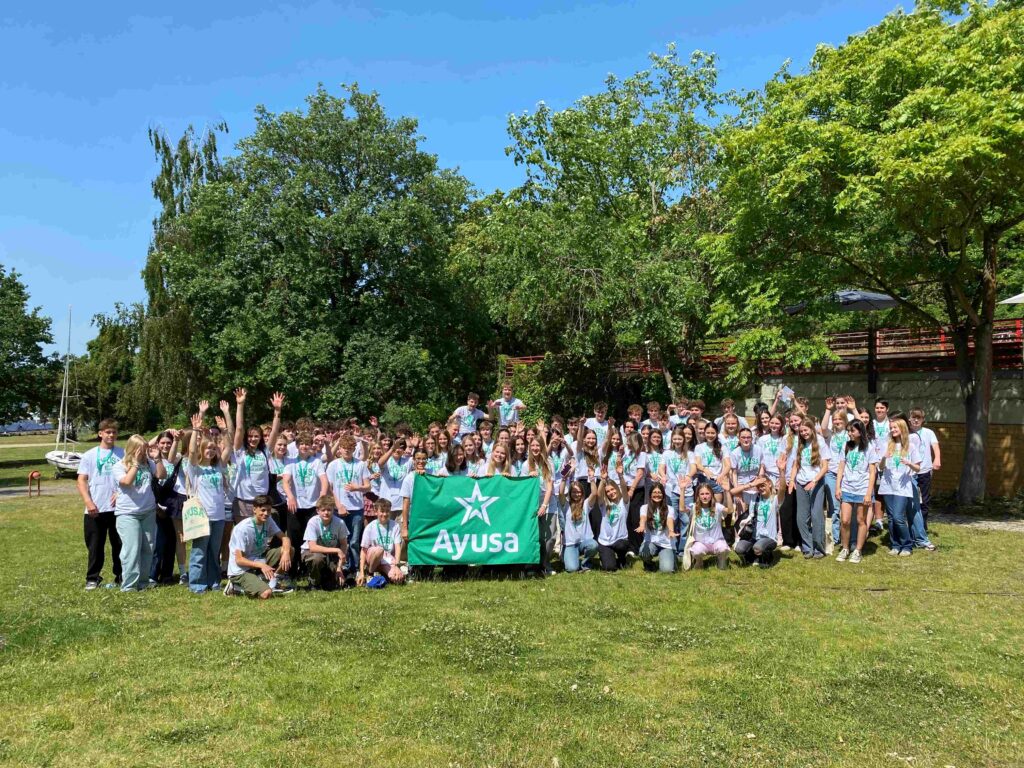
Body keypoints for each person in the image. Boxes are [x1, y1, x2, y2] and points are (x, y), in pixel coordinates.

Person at [182, 401, 234, 593]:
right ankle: (197, 583)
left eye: (213, 448)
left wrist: (225, 430)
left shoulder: (218, 467)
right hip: (201, 516)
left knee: (214, 551)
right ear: (202, 450)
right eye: (208, 448)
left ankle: (213, 582)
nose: (211, 451)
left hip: (218, 516)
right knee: (199, 551)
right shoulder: (195, 469)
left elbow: (228, 448)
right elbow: (192, 451)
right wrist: (197, 427)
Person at [112, 434, 167, 590]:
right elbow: (126, 482)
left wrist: (157, 459)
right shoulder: (119, 466)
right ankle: (129, 585)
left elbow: (162, 475)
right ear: (133, 449)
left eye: (145, 449)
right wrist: (135, 463)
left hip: (148, 511)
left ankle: (143, 582)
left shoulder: (148, 463)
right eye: (141, 450)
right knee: (132, 549)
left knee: (148, 548)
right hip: (128, 513)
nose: (144, 452)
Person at [77, 419, 125, 590]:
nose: (111, 435)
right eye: (108, 432)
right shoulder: (89, 455)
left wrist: (120, 493)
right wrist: (88, 501)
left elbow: (130, 477)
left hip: (119, 508)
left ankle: (121, 576)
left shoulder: (123, 453)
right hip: (95, 508)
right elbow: (81, 480)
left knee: (119, 544)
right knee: (95, 546)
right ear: (100, 434)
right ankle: (93, 578)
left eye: (114, 432)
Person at [225, 494, 294, 598]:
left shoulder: (268, 520)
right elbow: (239, 560)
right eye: (263, 510)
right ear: (254, 510)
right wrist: (261, 565)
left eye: (269, 510)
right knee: (266, 593)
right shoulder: (243, 529)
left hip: (259, 560)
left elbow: (285, 538)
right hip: (241, 570)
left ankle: (274, 580)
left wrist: (286, 553)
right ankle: (235, 587)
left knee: (289, 550)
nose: (266, 514)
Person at [231, 389, 284, 522]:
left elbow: (275, 431)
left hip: (261, 501)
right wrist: (240, 404)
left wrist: (277, 411)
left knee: (261, 532)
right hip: (243, 501)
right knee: (244, 531)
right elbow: (239, 428)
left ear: (260, 438)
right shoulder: (240, 451)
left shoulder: (265, 451)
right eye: (250, 436)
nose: (253, 439)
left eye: (256, 436)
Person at [281, 431, 329, 578]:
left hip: (312, 506)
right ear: (297, 446)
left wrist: (321, 497)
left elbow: (324, 481)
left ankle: (308, 569)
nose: (304, 446)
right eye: (301, 444)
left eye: (307, 444)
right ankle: (292, 571)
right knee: (294, 539)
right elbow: (285, 481)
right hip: (295, 506)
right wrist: (290, 497)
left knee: (310, 539)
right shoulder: (290, 462)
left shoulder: (316, 462)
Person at [326, 434, 371, 573]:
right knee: (338, 540)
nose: (347, 450)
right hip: (339, 507)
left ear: (354, 449)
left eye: (350, 448)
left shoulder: (360, 464)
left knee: (354, 541)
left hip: (356, 508)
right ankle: (337, 568)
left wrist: (357, 488)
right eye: (344, 447)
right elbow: (329, 488)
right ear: (339, 448)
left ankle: (354, 568)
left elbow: (368, 486)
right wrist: (338, 505)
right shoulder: (333, 465)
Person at [834, 419, 877, 563]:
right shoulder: (846, 446)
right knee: (845, 520)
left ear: (860, 431)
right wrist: (838, 487)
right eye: (848, 431)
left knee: (860, 520)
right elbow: (841, 468)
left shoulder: (869, 447)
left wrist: (868, 493)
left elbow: (872, 472)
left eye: (852, 430)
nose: (849, 433)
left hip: (862, 489)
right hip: (847, 488)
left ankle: (858, 550)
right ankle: (845, 548)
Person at [789, 416, 831, 558]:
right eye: (801, 431)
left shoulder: (820, 442)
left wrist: (814, 481)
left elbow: (825, 467)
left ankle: (819, 548)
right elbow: (796, 464)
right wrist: (791, 480)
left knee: (816, 516)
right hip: (801, 483)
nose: (803, 433)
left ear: (812, 429)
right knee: (801, 518)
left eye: (806, 430)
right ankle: (807, 547)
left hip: (816, 483)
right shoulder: (800, 444)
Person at [878, 416, 920, 556]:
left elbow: (918, 468)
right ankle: (895, 545)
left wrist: (909, 463)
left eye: (895, 427)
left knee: (898, 517)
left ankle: (907, 545)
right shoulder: (887, 445)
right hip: (888, 486)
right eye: (891, 428)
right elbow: (881, 467)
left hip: (902, 487)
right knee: (890, 518)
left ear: (902, 428)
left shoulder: (910, 446)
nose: (892, 430)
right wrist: (884, 457)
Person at [301, 496, 350, 590]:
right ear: (317, 511)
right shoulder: (313, 522)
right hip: (312, 553)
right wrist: (336, 550)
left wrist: (339, 567)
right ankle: (314, 582)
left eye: (329, 510)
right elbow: (312, 547)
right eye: (323, 510)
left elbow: (344, 544)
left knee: (333, 584)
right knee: (317, 558)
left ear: (333, 510)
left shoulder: (340, 523)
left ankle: (326, 577)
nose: (326, 513)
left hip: (331, 555)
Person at [734, 476, 783, 567]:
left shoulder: (775, 499)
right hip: (753, 536)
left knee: (758, 547)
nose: (760, 488)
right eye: (758, 486)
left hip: (769, 537)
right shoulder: (754, 497)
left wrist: (782, 472)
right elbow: (733, 492)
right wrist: (751, 484)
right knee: (739, 548)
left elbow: (783, 489)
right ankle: (752, 558)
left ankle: (767, 558)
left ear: (769, 484)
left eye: (763, 485)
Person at [358, 498, 405, 585]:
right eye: (382, 511)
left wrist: (397, 566)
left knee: (398, 578)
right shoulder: (370, 527)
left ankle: (383, 574)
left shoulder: (395, 525)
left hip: (387, 558)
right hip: (373, 557)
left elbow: (398, 547)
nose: (385, 514)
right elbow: (363, 550)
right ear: (376, 512)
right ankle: (370, 573)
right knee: (379, 550)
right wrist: (361, 572)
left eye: (387, 511)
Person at [908, 408, 940, 529]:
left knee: (924, 499)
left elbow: (935, 446)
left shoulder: (928, 432)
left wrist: (937, 459)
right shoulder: (906, 432)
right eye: (914, 417)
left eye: (919, 418)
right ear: (909, 418)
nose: (916, 420)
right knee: (910, 499)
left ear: (923, 420)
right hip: (909, 471)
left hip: (924, 470)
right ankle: (911, 525)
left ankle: (922, 526)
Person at [595, 467, 631, 571]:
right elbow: (599, 494)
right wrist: (602, 480)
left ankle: (622, 558)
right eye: (608, 491)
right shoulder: (604, 505)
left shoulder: (624, 503)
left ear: (617, 489)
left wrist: (620, 476)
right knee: (609, 567)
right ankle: (607, 558)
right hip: (605, 541)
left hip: (620, 540)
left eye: (612, 489)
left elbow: (624, 489)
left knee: (621, 545)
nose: (611, 492)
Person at [688, 482, 731, 570]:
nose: (705, 496)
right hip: (700, 542)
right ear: (698, 496)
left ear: (711, 495)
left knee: (723, 548)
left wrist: (727, 492)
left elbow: (730, 510)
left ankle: (721, 559)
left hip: (717, 541)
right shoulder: (694, 507)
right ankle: (699, 561)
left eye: (707, 494)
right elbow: (681, 509)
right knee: (696, 551)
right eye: (702, 494)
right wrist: (682, 490)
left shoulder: (717, 507)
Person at [637, 481, 677, 573]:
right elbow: (643, 518)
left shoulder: (669, 508)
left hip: (666, 544)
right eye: (654, 492)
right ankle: (649, 564)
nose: (657, 495)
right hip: (651, 542)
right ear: (650, 495)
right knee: (643, 552)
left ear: (663, 495)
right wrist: (642, 525)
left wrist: (671, 531)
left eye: (659, 492)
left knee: (666, 570)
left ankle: (671, 558)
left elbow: (669, 520)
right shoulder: (644, 507)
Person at [563, 481, 598, 572]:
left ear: (582, 493)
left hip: (585, 541)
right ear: (570, 493)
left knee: (594, 545)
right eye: (574, 492)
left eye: (579, 492)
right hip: (571, 543)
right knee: (572, 569)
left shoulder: (586, 504)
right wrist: (564, 479)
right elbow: (560, 493)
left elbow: (594, 493)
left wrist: (592, 479)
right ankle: (567, 555)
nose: (576, 494)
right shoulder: (566, 505)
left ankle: (585, 563)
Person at [695, 422, 730, 503]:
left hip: (717, 481)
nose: (710, 435)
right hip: (703, 480)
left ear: (717, 433)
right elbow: (698, 463)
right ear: (704, 433)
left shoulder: (723, 447)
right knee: (702, 506)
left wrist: (721, 475)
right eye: (708, 433)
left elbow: (728, 465)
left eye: (712, 433)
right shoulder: (699, 447)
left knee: (717, 506)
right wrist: (705, 469)